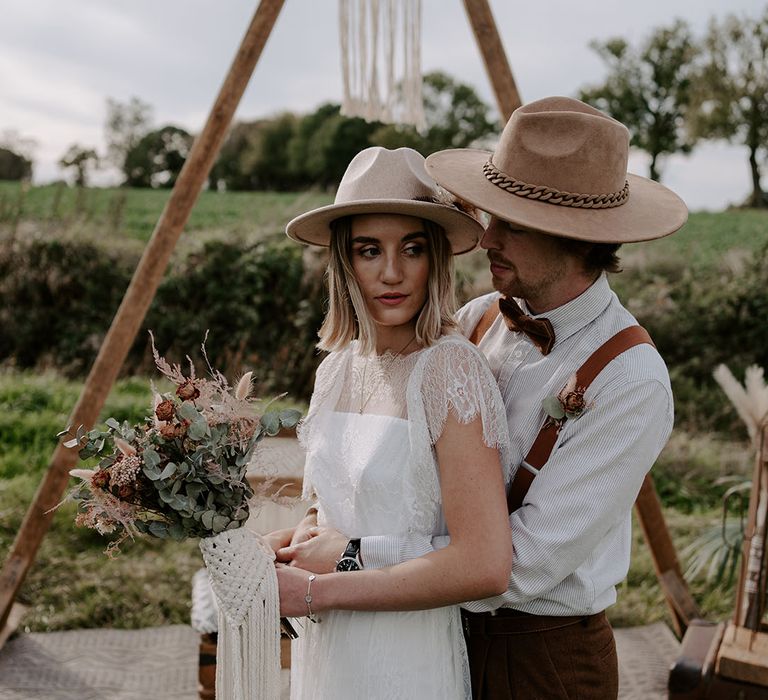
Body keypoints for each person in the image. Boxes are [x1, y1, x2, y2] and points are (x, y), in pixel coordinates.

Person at [279, 97, 689, 699]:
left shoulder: (631, 380)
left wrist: (348, 557)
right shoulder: (475, 321)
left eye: (511, 222)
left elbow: (516, 567)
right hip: (432, 628)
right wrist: (315, 533)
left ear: (574, 234)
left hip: (542, 657)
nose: (487, 234)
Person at [272, 146, 513, 699]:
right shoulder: (335, 369)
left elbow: (484, 564)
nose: (391, 272)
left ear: (436, 259)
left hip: (405, 653)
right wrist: (283, 541)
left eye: (411, 248)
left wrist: (329, 579)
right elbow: (340, 508)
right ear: (343, 261)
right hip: (331, 647)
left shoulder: (449, 368)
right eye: (368, 250)